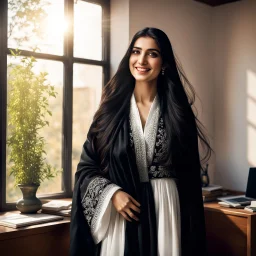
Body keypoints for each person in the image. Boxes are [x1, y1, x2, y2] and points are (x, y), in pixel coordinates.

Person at [70, 27, 212, 256]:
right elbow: (87, 168)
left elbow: (190, 180)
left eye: (152, 53)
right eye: (136, 52)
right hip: (121, 215)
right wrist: (112, 194)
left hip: (167, 212)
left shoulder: (178, 112)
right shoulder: (110, 111)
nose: (141, 60)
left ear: (164, 63)